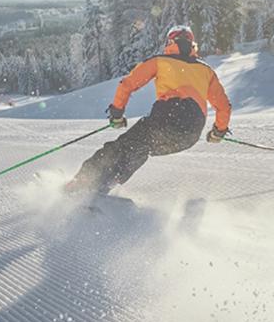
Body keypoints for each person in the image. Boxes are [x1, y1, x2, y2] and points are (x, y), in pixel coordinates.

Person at [66, 25, 232, 195]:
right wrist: (218, 131)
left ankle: (82, 182)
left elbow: (127, 84)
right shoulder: (206, 70)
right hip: (190, 134)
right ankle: (103, 184)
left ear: (170, 42)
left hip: (167, 118)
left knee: (120, 148)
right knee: (138, 148)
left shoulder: (161, 61)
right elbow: (224, 106)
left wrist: (117, 113)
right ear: (192, 44)